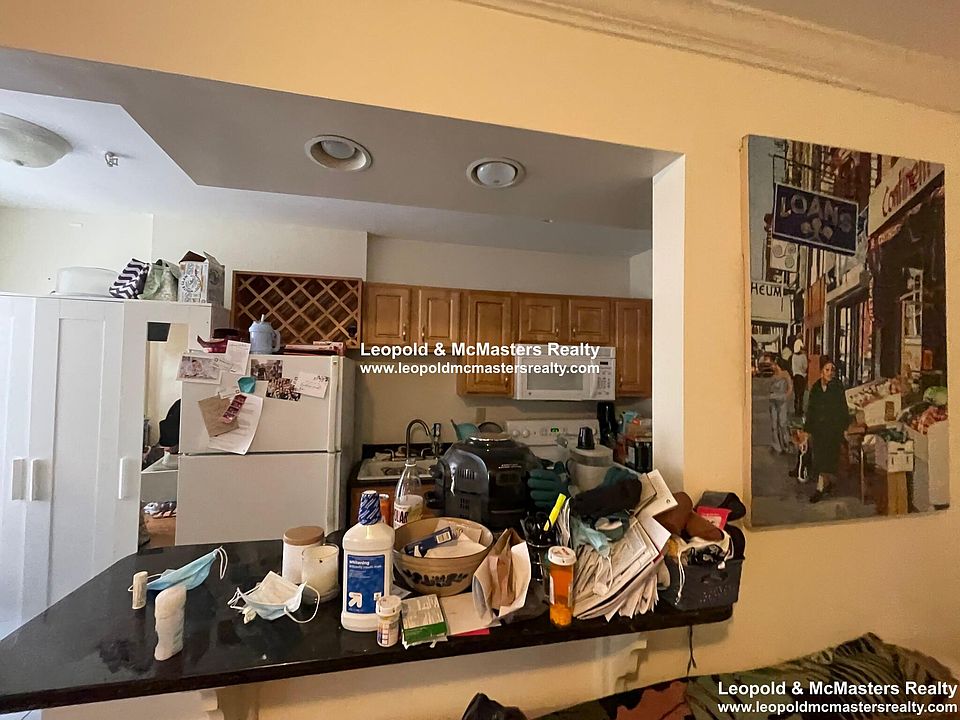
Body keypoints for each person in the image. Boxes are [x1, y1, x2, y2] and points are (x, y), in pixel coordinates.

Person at [800, 357, 850, 503]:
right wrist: (807, 431)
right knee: (820, 460)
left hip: (833, 430)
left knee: (829, 460)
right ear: (821, 371)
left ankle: (822, 487)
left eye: (832, 370)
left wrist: (844, 428)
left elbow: (843, 409)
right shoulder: (816, 388)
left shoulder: (837, 387)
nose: (830, 373)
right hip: (819, 431)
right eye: (827, 370)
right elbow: (811, 410)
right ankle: (824, 485)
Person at [768, 359, 793, 454]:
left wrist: (786, 396)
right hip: (773, 400)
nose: (772, 366)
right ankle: (776, 445)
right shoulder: (773, 375)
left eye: (774, 364)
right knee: (774, 424)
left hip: (782, 401)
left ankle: (786, 443)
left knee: (782, 423)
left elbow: (790, 387)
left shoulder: (785, 374)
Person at [791, 342, 808, 416]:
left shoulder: (793, 356)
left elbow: (792, 367)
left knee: (796, 394)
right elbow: (805, 367)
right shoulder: (803, 356)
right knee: (801, 394)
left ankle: (796, 409)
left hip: (795, 376)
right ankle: (800, 409)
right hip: (801, 376)